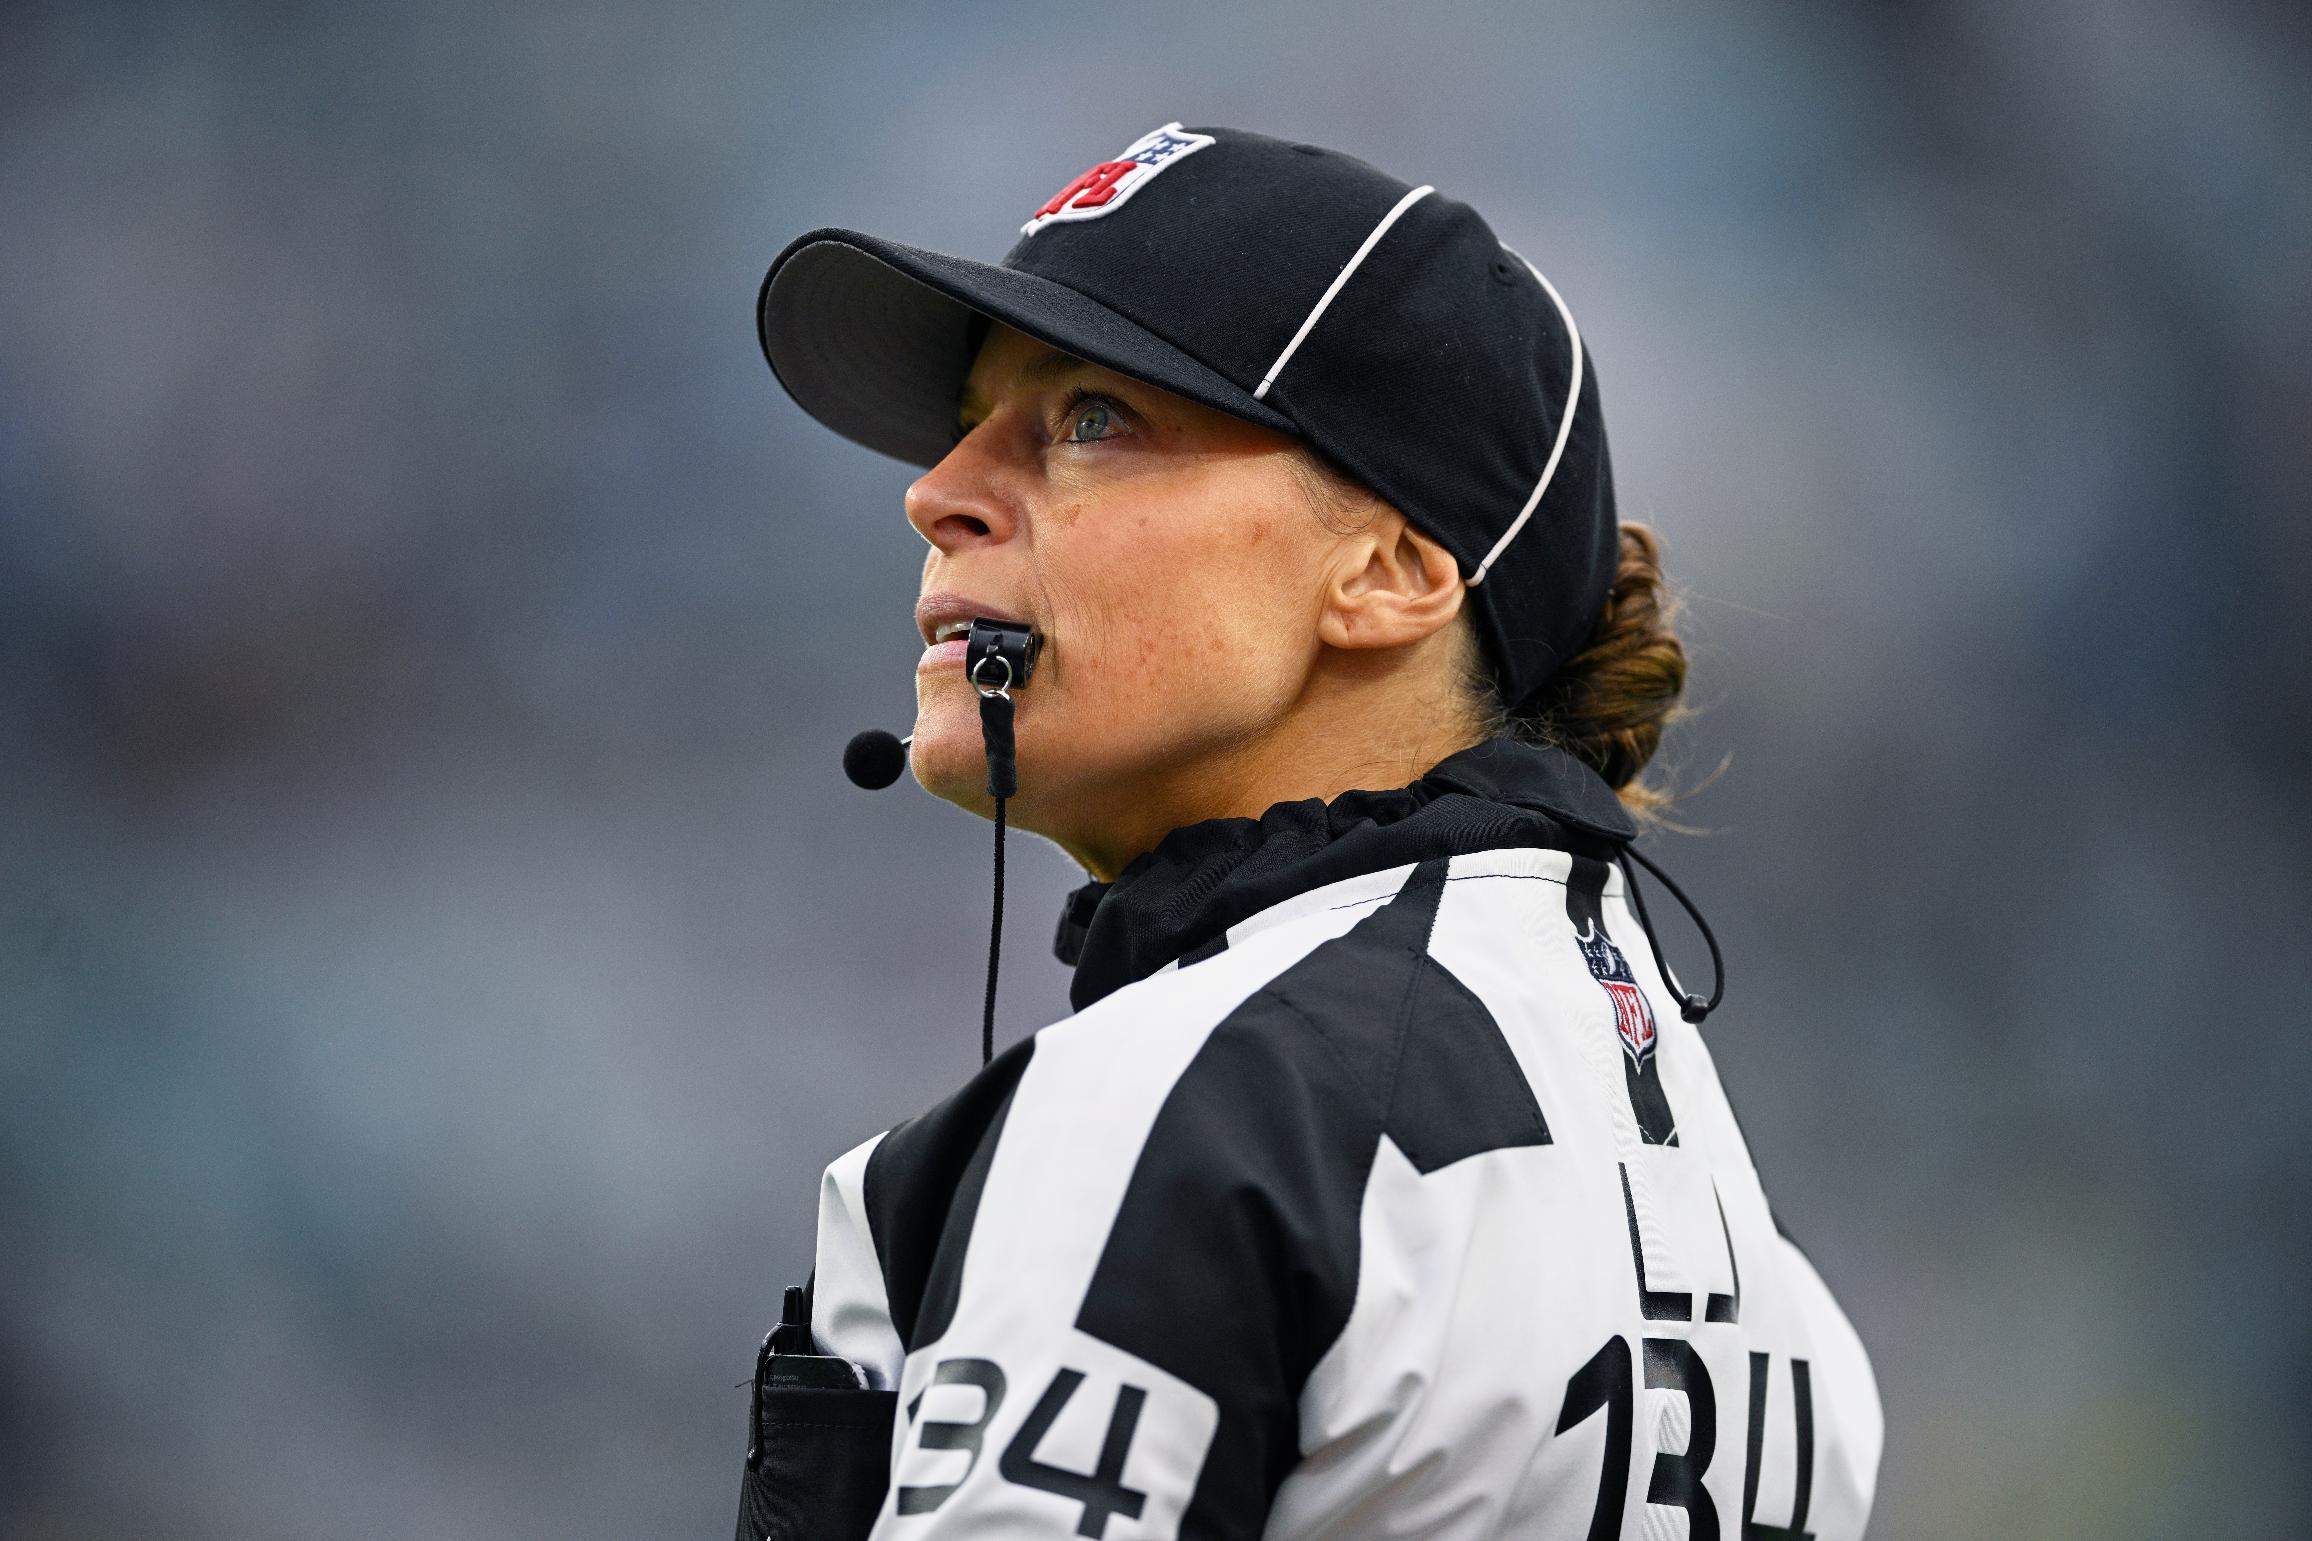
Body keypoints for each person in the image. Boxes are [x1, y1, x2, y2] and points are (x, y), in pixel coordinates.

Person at [741, 123, 1882, 1541]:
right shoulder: (1763, 1265)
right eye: (969, 423)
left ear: (1393, 570)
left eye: (1091, 416)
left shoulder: (1180, 1115)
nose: (938, 490)